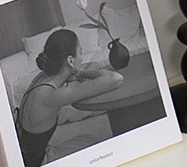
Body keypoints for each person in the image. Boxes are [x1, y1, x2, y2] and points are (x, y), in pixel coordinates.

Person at [16, 28, 123, 167]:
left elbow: (94, 65)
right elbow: (115, 78)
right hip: (37, 163)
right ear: (71, 60)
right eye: (81, 52)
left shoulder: (44, 78)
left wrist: (75, 73)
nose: (82, 58)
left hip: (28, 154)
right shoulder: (50, 96)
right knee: (99, 148)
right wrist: (79, 74)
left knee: (88, 138)